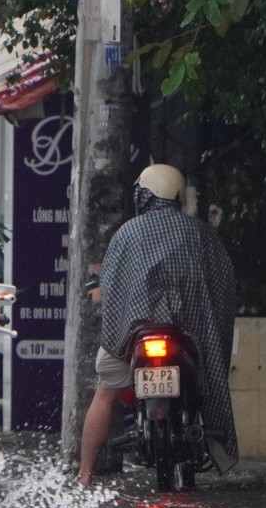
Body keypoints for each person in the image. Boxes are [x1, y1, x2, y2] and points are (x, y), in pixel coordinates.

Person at [75, 163, 239, 487]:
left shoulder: (127, 233)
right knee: (207, 381)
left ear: (145, 195)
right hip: (188, 333)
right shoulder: (200, 233)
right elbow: (223, 285)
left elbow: (107, 287)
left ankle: (84, 474)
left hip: (132, 333)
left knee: (105, 395)